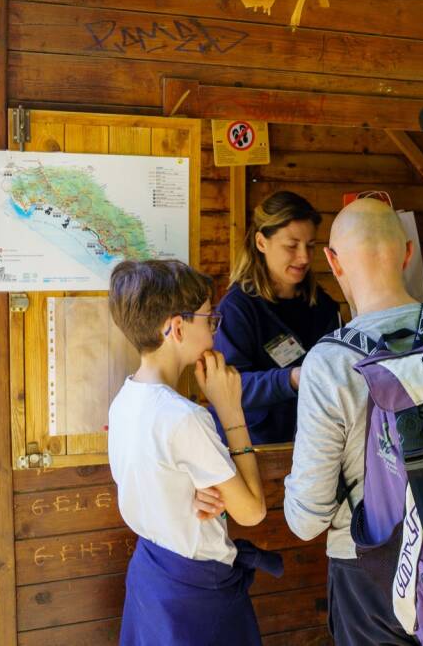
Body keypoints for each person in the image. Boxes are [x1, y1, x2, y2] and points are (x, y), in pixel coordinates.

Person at [283, 198, 423, 646]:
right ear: (407, 253)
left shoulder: (330, 363)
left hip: (368, 567)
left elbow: (307, 521)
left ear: (333, 262)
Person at [107, 260, 273, 646]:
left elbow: (158, 482)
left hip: (152, 577)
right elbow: (251, 512)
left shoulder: (124, 400)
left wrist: (190, 491)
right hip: (196, 592)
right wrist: (230, 409)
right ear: (177, 327)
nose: (214, 330)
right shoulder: (185, 417)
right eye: (209, 319)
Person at [214, 191, 341, 444]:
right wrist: (291, 379)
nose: (304, 257)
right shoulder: (237, 308)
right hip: (254, 446)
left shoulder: (324, 306)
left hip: (314, 443)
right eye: (292, 246)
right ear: (262, 243)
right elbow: (228, 388)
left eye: (311, 246)